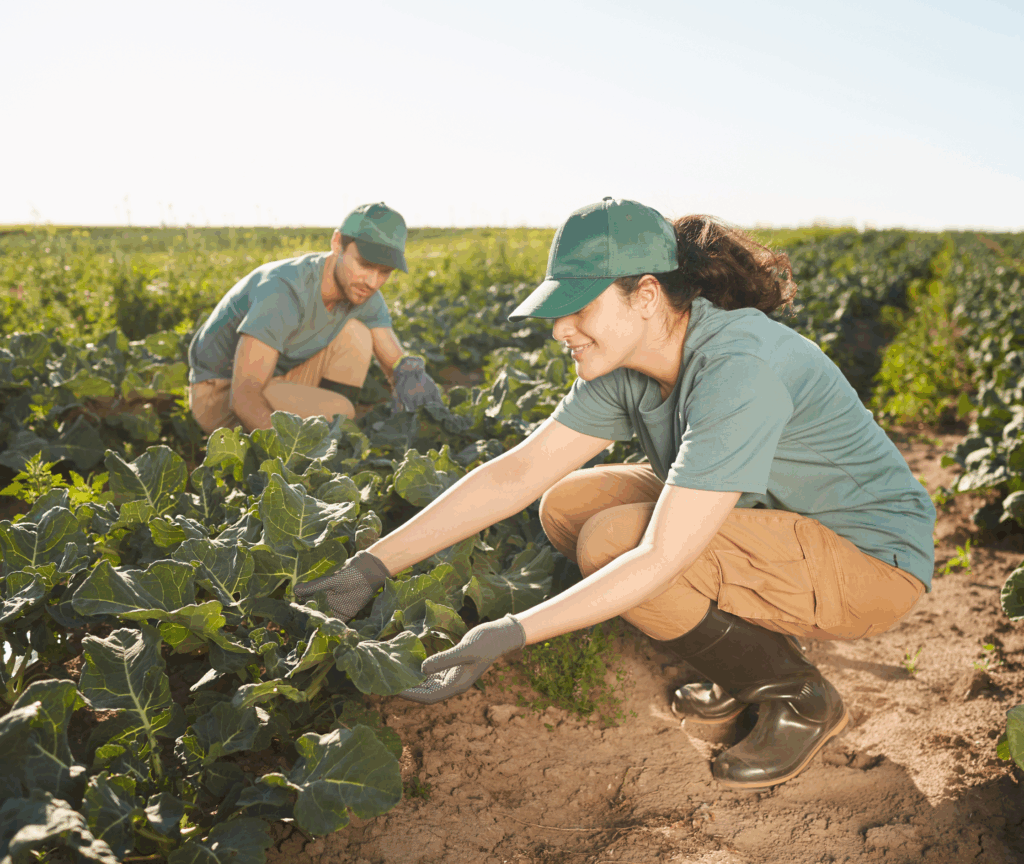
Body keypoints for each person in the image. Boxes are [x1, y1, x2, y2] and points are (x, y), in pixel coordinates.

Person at [294, 197, 937, 790]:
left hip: (871, 561)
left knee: (614, 542)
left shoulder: (738, 368)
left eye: (580, 308)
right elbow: (517, 474)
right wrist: (367, 569)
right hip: (778, 525)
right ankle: (750, 666)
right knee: (570, 505)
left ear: (648, 296)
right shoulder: (626, 366)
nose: (561, 329)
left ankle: (799, 696)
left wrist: (506, 633)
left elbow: (659, 555)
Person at [187, 202, 443, 434]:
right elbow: (243, 398)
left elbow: (395, 362)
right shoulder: (283, 291)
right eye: (364, 265)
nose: (373, 281)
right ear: (337, 243)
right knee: (341, 411)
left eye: (385, 271)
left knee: (358, 334)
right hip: (221, 393)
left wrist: (410, 375)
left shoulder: (363, 293)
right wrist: (287, 458)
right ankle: (326, 430)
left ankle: (327, 429)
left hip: (271, 378)